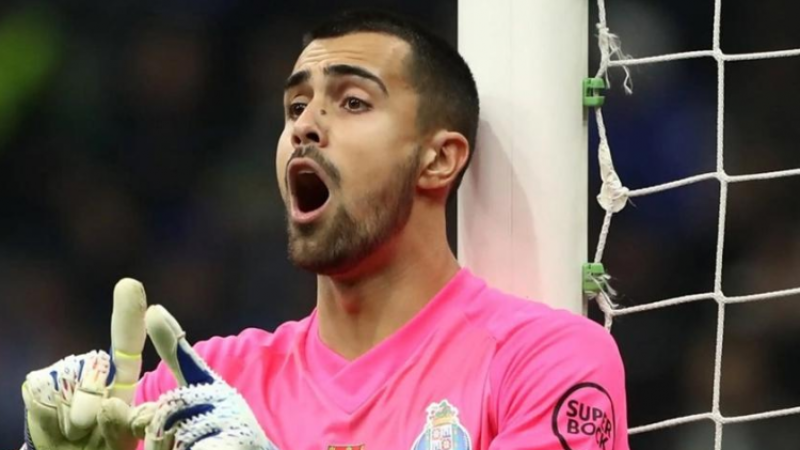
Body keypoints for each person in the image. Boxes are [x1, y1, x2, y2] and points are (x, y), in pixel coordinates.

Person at [21, 9, 629, 450]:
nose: (305, 125)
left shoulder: (544, 364)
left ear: (438, 159)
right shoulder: (207, 385)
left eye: (353, 102)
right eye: (295, 107)